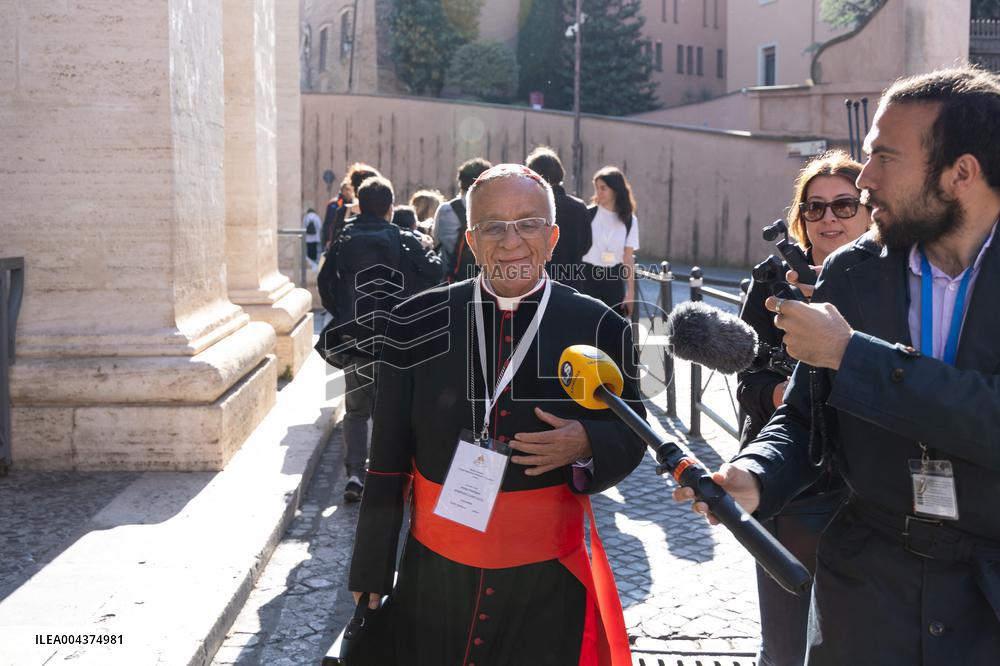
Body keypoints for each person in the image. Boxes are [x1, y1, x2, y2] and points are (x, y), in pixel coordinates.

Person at [675, 66, 1000, 665]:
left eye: (885, 157)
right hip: (866, 595)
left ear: (961, 173)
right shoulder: (852, 269)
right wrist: (752, 477)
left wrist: (853, 356)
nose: (866, 176)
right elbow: (805, 416)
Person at [348, 164, 646, 665]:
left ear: (552, 237)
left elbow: (633, 431)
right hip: (435, 576)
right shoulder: (414, 322)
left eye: (528, 224)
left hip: (547, 582)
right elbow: (386, 459)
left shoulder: (598, 324)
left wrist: (588, 442)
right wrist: (372, 571)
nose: (512, 241)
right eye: (493, 226)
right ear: (471, 239)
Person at [737, 150, 869, 666]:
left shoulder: (893, 281)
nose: (829, 218)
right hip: (792, 482)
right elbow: (746, 377)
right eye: (815, 208)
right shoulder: (771, 279)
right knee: (786, 641)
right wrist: (792, 394)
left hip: (869, 486)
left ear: (869, 210)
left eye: (843, 205)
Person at [316, 176, 441, 502]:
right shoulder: (402, 238)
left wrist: (342, 313)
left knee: (356, 411)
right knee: (396, 410)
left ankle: (356, 473)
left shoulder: (344, 238)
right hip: (395, 339)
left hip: (356, 337)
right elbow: (435, 273)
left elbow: (324, 282)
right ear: (390, 206)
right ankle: (391, 473)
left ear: (359, 202)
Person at [525, 146, 591, 291]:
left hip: (538, 285)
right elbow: (587, 245)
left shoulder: (530, 207)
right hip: (573, 283)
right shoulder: (579, 206)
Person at [579, 167, 639, 317]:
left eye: (603, 188)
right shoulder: (587, 214)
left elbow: (628, 258)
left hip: (614, 280)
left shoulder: (629, 220)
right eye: (597, 188)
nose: (598, 192)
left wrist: (630, 292)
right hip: (588, 276)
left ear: (615, 189)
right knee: (587, 326)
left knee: (612, 329)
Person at [433, 157, 492, 283]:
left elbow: (436, 241)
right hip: (486, 280)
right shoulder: (495, 211)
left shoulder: (446, 210)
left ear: (461, 182)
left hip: (452, 282)